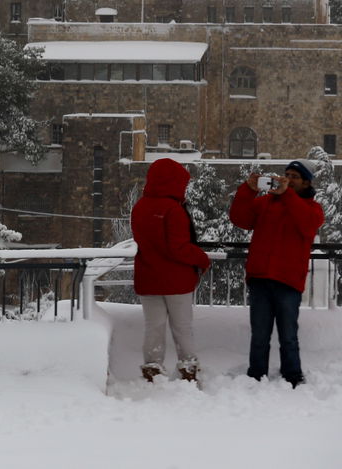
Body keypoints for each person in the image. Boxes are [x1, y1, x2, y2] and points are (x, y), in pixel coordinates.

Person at [229, 160, 325, 387]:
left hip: (288, 280)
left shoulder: (313, 208)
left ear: (306, 182)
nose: (288, 180)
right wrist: (248, 190)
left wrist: (287, 196)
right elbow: (239, 219)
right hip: (261, 277)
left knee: (288, 336)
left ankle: (292, 376)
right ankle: (256, 375)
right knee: (259, 335)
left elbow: (307, 224)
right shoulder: (265, 203)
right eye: (287, 174)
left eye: (294, 176)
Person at [131, 158, 211, 381]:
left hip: (148, 277)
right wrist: (202, 259)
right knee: (182, 327)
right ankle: (188, 370)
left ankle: (152, 369)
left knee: (153, 327)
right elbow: (179, 248)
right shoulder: (173, 209)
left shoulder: (140, 207)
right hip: (176, 280)